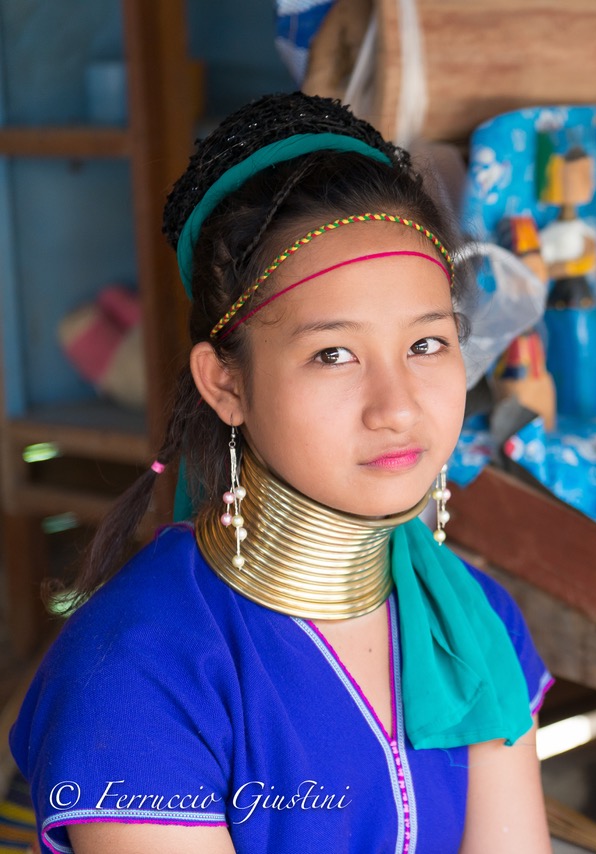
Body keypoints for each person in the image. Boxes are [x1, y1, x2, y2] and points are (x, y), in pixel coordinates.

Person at [8, 93, 554, 854]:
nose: (397, 407)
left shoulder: (472, 621)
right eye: (333, 354)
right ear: (226, 383)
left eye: (427, 344)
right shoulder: (137, 673)